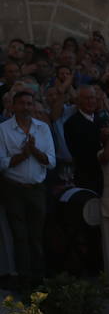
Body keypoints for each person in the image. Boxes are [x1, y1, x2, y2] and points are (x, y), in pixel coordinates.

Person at [0, 89, 55, 289]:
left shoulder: (42, 128)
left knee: (36, 236)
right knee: (20, 236)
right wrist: (24, 155)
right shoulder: (3, 129)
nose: (26, 107)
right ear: (13, 106)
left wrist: (34, 151)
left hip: (37, 189)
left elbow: (51, 162)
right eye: (22, 103)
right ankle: (23, 279)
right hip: (13, 189)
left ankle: (38, 280)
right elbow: (1, 163)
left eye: (29, 104)